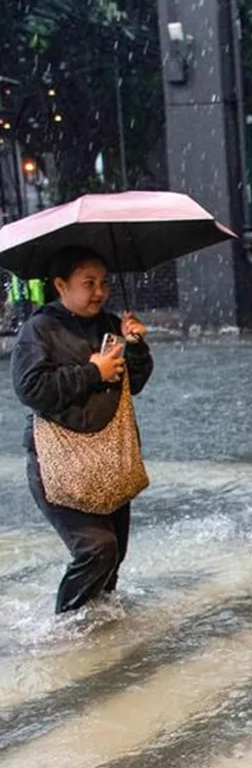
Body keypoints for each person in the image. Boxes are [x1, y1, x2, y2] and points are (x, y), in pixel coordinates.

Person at [11, 247, 153, 614]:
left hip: (109, 457)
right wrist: (93, 372)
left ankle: (103, 638)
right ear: (61, 285)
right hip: (58, 463)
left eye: (103, 283)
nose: (99, 292)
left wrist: (135, 347)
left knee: (114, 557)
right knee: (96, 549)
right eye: (88, 283)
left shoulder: (110, 326)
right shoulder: (39, 330)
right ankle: (64, 631)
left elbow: (133, 385)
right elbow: (31, 389)